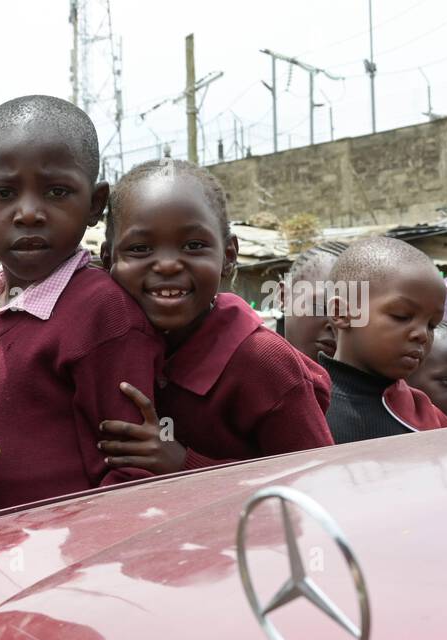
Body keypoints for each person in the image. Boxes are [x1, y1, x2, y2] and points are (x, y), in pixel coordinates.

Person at [0, 95, 164, 510]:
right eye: (3, 192)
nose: (29, 213)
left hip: (65, 560)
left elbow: (132, 473)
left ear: (94, 204)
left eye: (57, 191)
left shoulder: (103, 314)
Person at [98, 158, 332, 471]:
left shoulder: (263, 362)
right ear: (107, 260)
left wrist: (183, 465)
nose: (167, 265)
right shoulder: (103, 350)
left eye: (194, 245)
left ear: (229, 257)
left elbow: (317, 478)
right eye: (140, 249)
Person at [320, 236, 447, 443]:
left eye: (431, 325)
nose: (422, 334)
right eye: (402, 316)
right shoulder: (307, 404)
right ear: (341, 313)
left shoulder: (428, 417)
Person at [278, 242, 347, 361]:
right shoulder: (248, 366)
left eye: (347, 315)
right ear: (284, 296)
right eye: (320, 307)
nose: (335, 323)